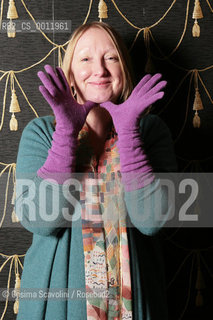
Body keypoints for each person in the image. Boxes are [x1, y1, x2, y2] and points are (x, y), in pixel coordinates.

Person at [15, 21, 177, 320]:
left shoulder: (152, 132)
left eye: (111, 57)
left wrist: (129, 133)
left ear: (124, 70)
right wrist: (65, 131)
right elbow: (41, 221)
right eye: (86, 59)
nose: (100, 70)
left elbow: (152, 221)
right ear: (71, 75)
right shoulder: (41, 133)